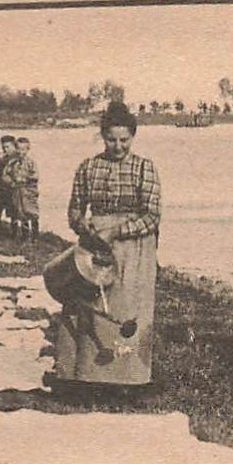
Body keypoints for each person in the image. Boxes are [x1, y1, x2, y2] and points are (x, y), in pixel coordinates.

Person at [52, 101, 162, 392]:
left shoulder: (144, 168)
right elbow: (75, 210)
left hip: (134, 250)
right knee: (88, 306)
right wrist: (82, 225)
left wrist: (118, 230)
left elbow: (151, 216)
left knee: (128, 307)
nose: (117, 146)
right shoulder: (88, 167)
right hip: (95, 249)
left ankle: (129, 379)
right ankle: (86, 376)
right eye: (111, 139)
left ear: (133, 137)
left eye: (124, 140)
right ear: (102, 137)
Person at [7, 136, 40, 240]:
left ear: (28, 150)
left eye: (23, 149)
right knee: (19, 212)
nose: (21, 152)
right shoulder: (12, 163)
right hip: (17, 191)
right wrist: (11, 182)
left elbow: (36, 175)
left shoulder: (31, 163)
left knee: (32, 213)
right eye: (19, 149)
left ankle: (35, 236)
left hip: (28, 192)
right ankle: (23, 236)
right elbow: (5, 175)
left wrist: (27, 179)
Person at [0, 135, 17, 233]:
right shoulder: (2, 159)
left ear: (14, 146)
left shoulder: (18, 159)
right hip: (0, 189)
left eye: (8, 147)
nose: (5, 149)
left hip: (12, 190)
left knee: (14, 213)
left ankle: (15, 234)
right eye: (3, 147)